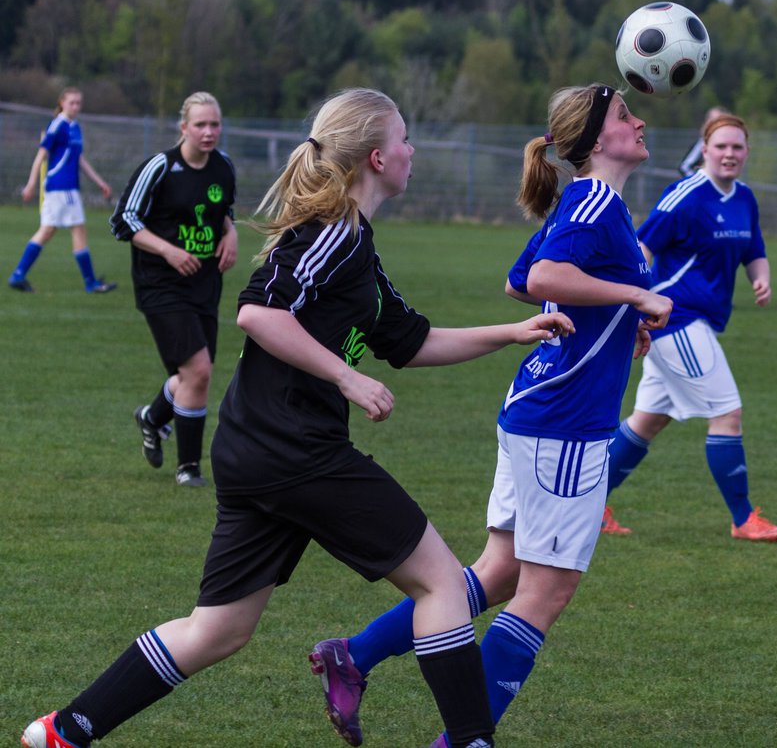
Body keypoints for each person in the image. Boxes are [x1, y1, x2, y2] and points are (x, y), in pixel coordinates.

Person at [21, 87, 573, 748]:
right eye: (403, 139)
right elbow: (257, 312)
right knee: (440, 583)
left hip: (257, 452)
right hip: (296, 451)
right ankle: (472, 741)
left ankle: (66, 729)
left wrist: (512, 332)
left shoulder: (355, 246)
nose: (412, 151)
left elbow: (412, 342)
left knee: (217, 629)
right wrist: (345, 375)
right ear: (376, 157)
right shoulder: (332, 234)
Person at [305, 83, 671, 747]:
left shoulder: (592, 203)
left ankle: (352, 656)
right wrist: (635, 293)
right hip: (564, 424)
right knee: (544, 594)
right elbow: (542, 280)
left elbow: (521, 276)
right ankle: (464, 737)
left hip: (539, 412)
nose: (640, 121)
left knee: (499, 573)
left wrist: (618, 320)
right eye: (624, 115)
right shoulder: (594, 202)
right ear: (593, 140)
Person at [601, 112, 777, 541]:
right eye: (721, 146)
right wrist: (634, 305)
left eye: (737, 147)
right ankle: (744, 519)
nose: (729, 154)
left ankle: (585, 504)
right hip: (675, 317)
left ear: (746, 152)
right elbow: (641, 247)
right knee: (727, 413)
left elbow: (753, 249)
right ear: (705, 149)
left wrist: (761, 276)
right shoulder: (685, 195)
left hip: (697, 320)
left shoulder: (744, 198)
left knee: (648, 421)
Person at [109, 92, 238, 487]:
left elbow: (224, 211)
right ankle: (188, 469)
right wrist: (168, 251)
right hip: (160, 283)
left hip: (204, 283)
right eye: (200, 124)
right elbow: (123, 220)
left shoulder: (224, 167)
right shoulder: (160, 167)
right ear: (183, 128)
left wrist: (231, 233)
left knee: (192, 376)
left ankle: (152, 418)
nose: (208, 132)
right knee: (198, 370)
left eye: (214, 124)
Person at [8, 87, 116, 294]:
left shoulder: (75, 127)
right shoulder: (57, 125)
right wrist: (31, 184)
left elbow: (79, 160)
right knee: (77, 230)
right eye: (72, 102)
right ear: (62, 103)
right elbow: (41, 155)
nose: (75, 106)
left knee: (48, 230)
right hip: (61, 187)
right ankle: (90, 283)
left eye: (78, 103)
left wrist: (99, 182)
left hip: (66, 188)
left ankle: (18, 275)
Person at [676, 105, 726, 175]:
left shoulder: (729, 145)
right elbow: (684, 167)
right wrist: (698, 182)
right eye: (713, 120)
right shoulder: (702, 143)